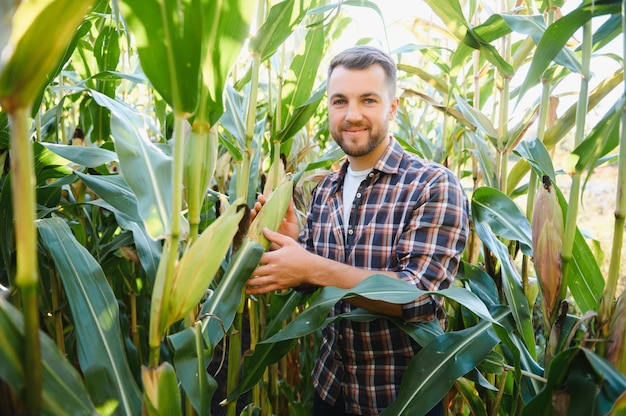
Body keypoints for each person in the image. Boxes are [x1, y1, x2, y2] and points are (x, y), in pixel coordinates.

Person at [246, 45, 470, 416]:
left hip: (403, 397)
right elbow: (312, 280)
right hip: (332, 389)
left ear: (392, 107)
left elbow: (419, 298)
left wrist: (309, 266)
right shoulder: (327, 187)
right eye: (339, 101)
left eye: (368, 100)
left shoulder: (432, 185)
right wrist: (293, 242)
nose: (352, 115)